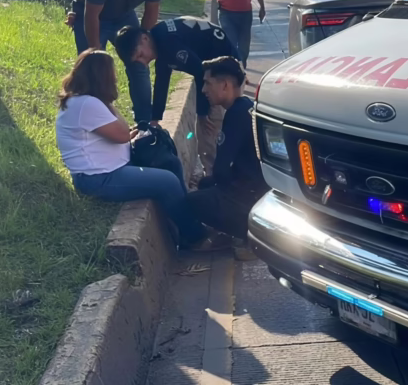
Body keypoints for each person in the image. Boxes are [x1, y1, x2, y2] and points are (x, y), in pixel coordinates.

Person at [55, 50, 225, 251]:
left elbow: (120, 131)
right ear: (101, 77)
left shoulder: (83, 101)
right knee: (167, 182)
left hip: (109, 170)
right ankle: (195, 238)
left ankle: (188, 224)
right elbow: (122, 134)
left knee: (169, 163)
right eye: (112, 74)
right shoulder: (88, 103)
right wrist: (109, 103)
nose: (116, 78)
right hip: (98, 178)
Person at [113, 17, 238, 178]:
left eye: (140, 55)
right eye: (138, 62)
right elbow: (162, 81)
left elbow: (201, 72)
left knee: (209, 129)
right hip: (224, 66)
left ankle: (216, 177)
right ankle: (219, 172)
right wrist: (155, 118)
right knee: (216, 126)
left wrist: (202, 112)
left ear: (144, 38)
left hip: (224, 71)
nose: (143, 63)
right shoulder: (160, 38)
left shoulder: (168, 43)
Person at [66, 0, 163, 124]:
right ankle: (96, 120)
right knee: (93, 69)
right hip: (89, 15)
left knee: (139, 65)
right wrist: (96, 52)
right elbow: (92, 15)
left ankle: (145, 123)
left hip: (124, 15)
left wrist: (144, 42)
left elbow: (151, 13)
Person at [186, 57, 268, 260]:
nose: (204, 89)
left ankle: (246, 234)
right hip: (260, 190)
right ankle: (234, 231)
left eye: (207, 83)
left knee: (191, 200)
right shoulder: (246, 106)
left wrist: (207, 182)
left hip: (249, 197)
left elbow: (221, 171)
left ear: (224, 85)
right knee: (207, 187)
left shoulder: (235, 115)